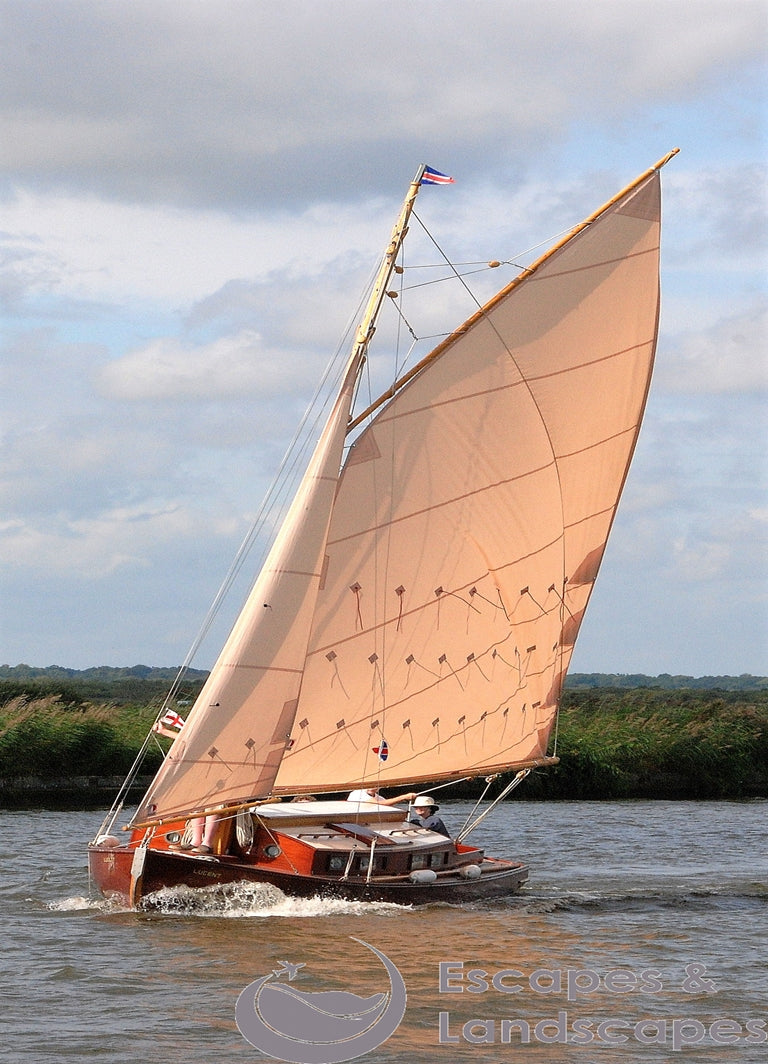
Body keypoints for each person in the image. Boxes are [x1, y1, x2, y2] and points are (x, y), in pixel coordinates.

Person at [346, 787, 417, 806]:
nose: (372, 787)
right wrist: (403, 797)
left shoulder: (380, 798)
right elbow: (378, 804)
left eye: (375, 785)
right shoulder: (357, 793)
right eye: (370, 784)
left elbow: (387, 805)